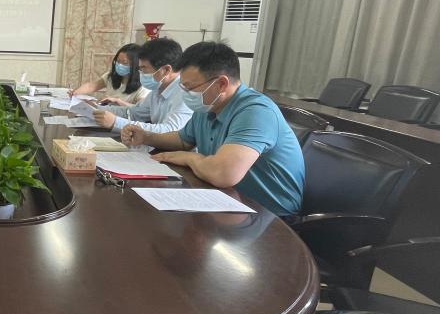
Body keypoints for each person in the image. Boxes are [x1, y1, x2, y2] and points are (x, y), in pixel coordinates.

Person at [121, 42, 305, 217]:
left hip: (270, 214)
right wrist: (146, 137)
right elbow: (184, 140)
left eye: (190, 88)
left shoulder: (256, 112)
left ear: (221, 84)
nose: (186, 94)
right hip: (225, 199)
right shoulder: (209, 105)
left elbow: (223, 173)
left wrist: (189, 158)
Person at [89, 38, 193, 134]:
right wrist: (95, 109)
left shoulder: (184, 95)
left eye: (144, 68)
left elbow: (169, 131)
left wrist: (116, 122)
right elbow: (134, 113)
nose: (140, 73)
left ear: (166, 70)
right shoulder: (158, 89)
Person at [71, 42, 149, 105]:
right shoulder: (112, 76)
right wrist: (76, 92)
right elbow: (92, 86)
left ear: (135, 65)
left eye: (124, 62)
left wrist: (118, 101)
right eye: (118, 61)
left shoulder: (143, 86)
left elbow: (141, 110)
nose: (119, 65)